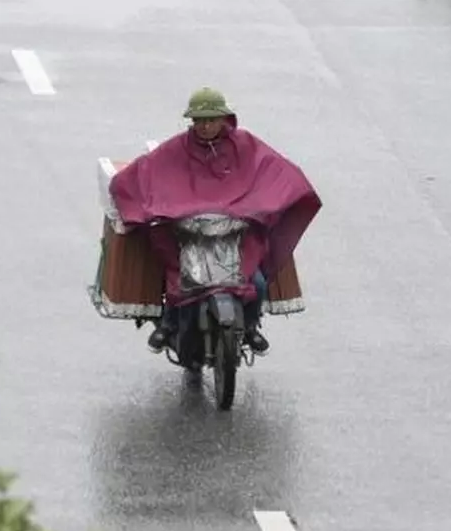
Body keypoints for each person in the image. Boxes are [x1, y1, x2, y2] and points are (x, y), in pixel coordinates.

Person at [108, 86, 322, 357]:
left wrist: (267, 204)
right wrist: (139, 202)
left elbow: (276, 169)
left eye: (211, 119)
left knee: (255, 283)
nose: (206, 126)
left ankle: (252, 327)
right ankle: (169, 324)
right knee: (178, 278)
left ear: (224, 118)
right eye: (200, 120)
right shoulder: (176, 149)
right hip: (191, 239)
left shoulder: (246, 145)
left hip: (236, 239)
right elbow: (145, 172)